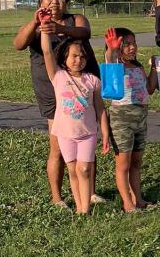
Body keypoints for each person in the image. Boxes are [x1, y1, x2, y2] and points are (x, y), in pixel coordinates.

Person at [12, 0, 103, 209]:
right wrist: (36, 22)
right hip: (53, 91)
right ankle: (57, 197)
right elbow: (18, 44)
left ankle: (89, 193)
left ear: (67, 1)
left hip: (84, 89)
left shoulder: (75, 20)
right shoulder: (37, 25)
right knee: (58, 147)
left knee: (87, 142)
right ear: (41, 0)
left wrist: (61, 28)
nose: (54, 1)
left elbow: (85, 31)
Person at [40, 20, 110, 214]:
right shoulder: (58, 76)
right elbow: (46, 52)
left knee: (84, 170)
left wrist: (104, 133)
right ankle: (79, 207)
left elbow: (100, 109)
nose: (78, 60)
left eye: (81, 56)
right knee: (72, 170)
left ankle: (85, 209)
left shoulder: (93, 80)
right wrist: (45, 28)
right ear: (64, 58)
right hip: (64, 133)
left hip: (88, 133)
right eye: (73, 56)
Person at [104, 28, 158, 212]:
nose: (132, 47)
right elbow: (109, 61)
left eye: (133, 43)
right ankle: (127, 203)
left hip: (140, 119)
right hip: (121, 120)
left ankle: (139, 199)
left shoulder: (138, 67)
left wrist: (154, 68)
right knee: (123, 164)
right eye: (126, 44)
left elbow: (150, 88)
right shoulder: (116, 66)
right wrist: (111, 50)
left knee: (136, 162)